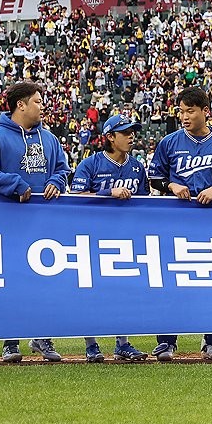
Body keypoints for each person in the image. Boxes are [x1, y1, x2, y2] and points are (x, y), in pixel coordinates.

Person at [0, 81, 71, 363]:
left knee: (45, 281)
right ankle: (10, 341)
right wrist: (14, 183)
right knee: (12, 280)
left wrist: (54, 180)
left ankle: (42, 337)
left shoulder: (50, 139)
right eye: (38, 101)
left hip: (44, 223)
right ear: (21, 105)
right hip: (8, 221)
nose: (43, 106)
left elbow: (62, 170)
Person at [147, 86, 212, 362]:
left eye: (190, 111)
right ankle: (166, 343)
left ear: (205, 111)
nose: (185, 116)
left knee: (210, 281)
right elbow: (154, 179)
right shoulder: (170, 142)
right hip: (176, 221)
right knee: (171, 281)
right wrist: (172, 184)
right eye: (181, 111)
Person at [69, 114, 151, 362]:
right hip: (92, 236)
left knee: (123, 291)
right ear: (110, 137)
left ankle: (122, 344)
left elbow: (146, 200)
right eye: (125, 132)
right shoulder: (91, 164)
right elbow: (77, 197)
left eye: (132, 131)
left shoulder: (137, 166)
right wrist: (107, 192)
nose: (131, 136)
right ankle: (91, 345)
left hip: (124, 238)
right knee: (90, 291)